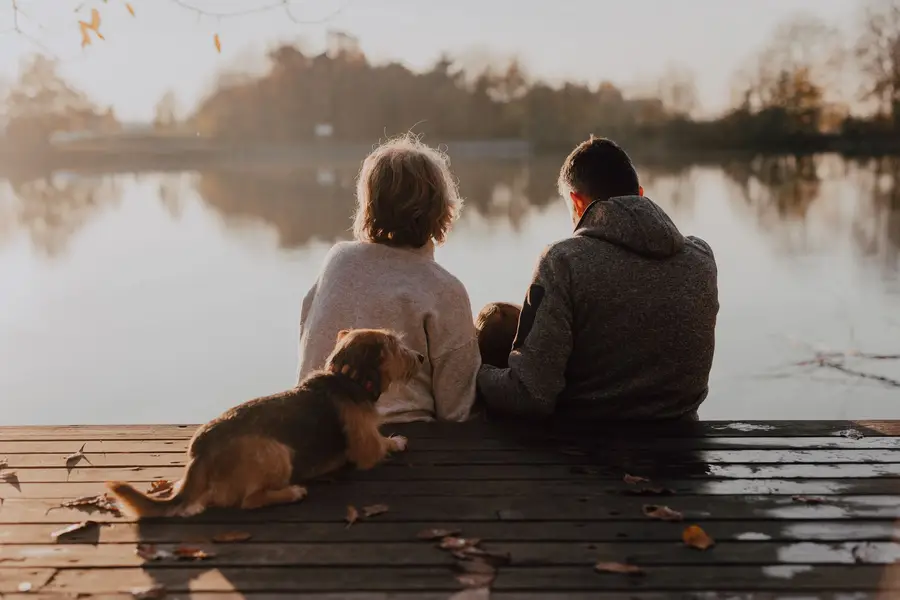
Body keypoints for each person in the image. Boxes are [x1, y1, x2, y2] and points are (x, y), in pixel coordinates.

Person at [476, 136, 718, 421]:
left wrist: (476, 370)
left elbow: (530, 395)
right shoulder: (701, 257)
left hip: (591, 457)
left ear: (577, 201)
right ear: (639, 194)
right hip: (685, 452)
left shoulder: (563, 261)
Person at [296, 135, 480, 423]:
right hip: (404, 441)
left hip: (319, 429)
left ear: (369, 204)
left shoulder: (338, 261)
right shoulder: (445, 289)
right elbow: (456, 411)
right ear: (440, 207)